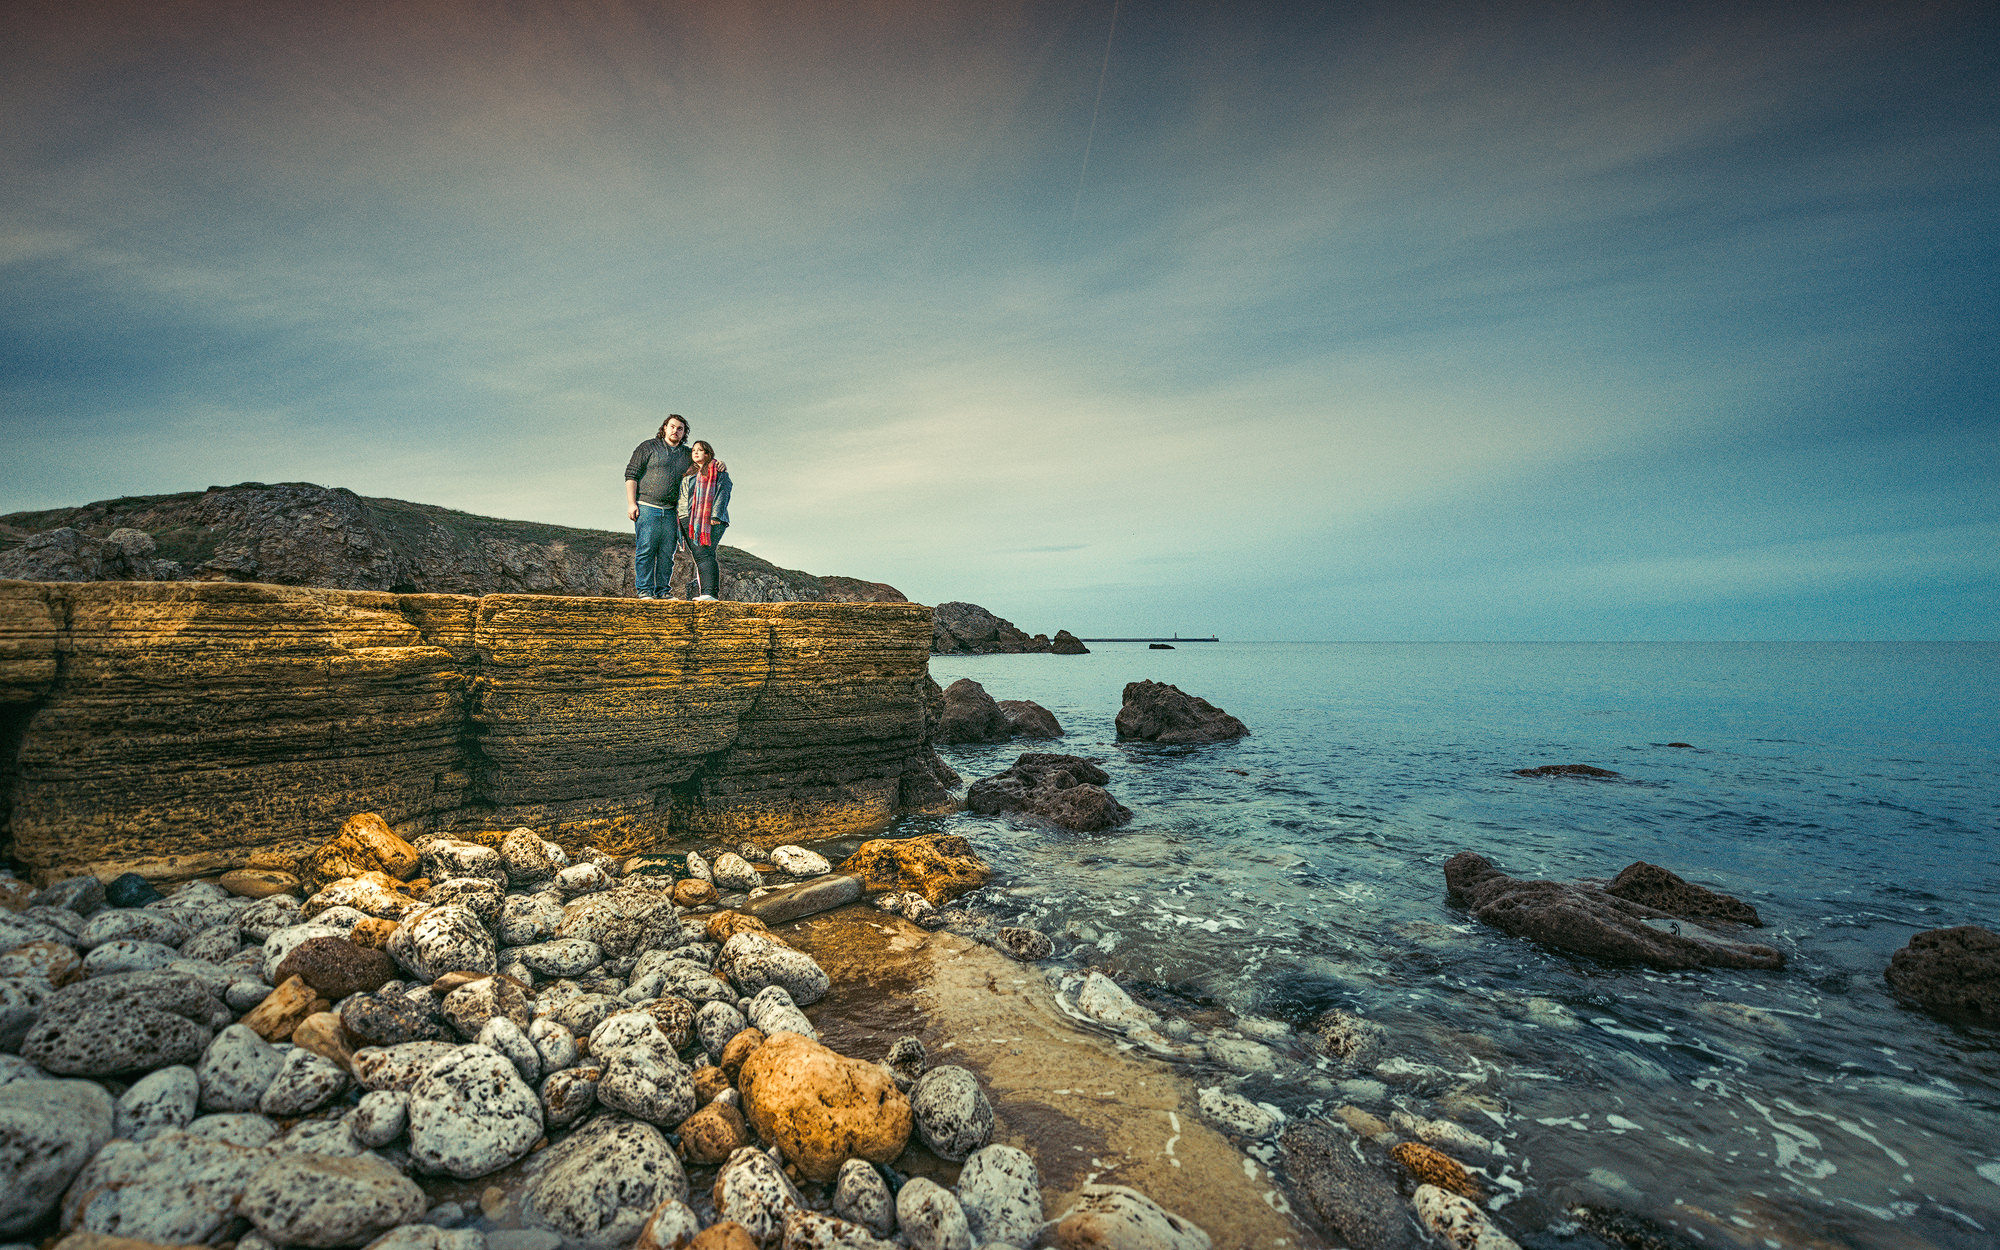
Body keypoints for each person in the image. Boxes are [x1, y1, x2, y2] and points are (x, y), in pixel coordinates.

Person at [623, 414, 692, 599]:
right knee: (646, 549)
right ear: (664, 428)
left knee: (666, 554)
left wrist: (719, 464)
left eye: (680, 428)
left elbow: (705, 462)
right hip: (647, 507)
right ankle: (644, 591)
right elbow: (631, 474)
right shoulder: (648, 446)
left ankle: (663, 591)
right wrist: (631, 503)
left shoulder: (687, 454)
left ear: (684, 433)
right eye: (672, 426)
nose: (675, 431)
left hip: (671, 512)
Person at [676, 439, 732, 601]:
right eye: (693, 450)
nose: (695, 452)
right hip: (686, 518)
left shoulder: (717, 470)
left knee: (704, 554)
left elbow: (724, 492)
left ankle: (710, 593)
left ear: (708, 454)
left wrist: (715, 515)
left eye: (700, 450)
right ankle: (707, 592)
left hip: (708, 519)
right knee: (700, 555)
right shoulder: (689, 472)